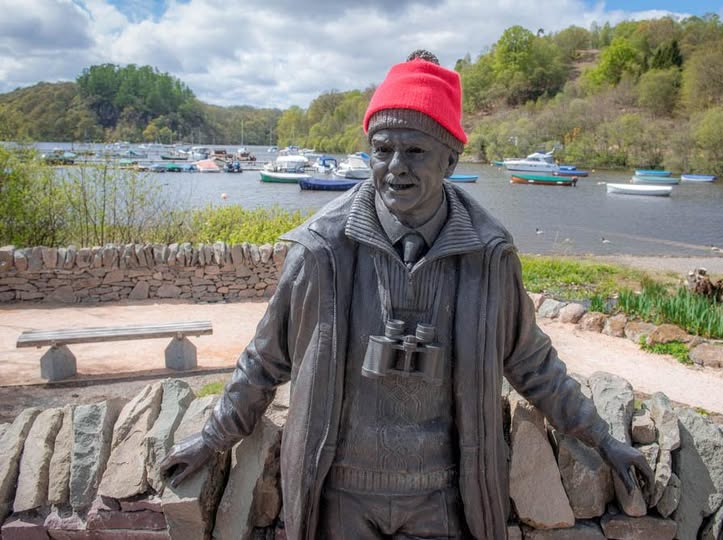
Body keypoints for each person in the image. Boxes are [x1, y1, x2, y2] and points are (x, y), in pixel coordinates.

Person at [161, 50, 652, 540]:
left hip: (443, 499)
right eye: (382, 149)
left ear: (450, 160)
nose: (396, 166)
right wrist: (213, 438)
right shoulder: (321, 250)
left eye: (415, 151)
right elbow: (266, 359)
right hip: (339, 497)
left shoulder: (488, 255)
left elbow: (531, 362)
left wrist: (603, 439)